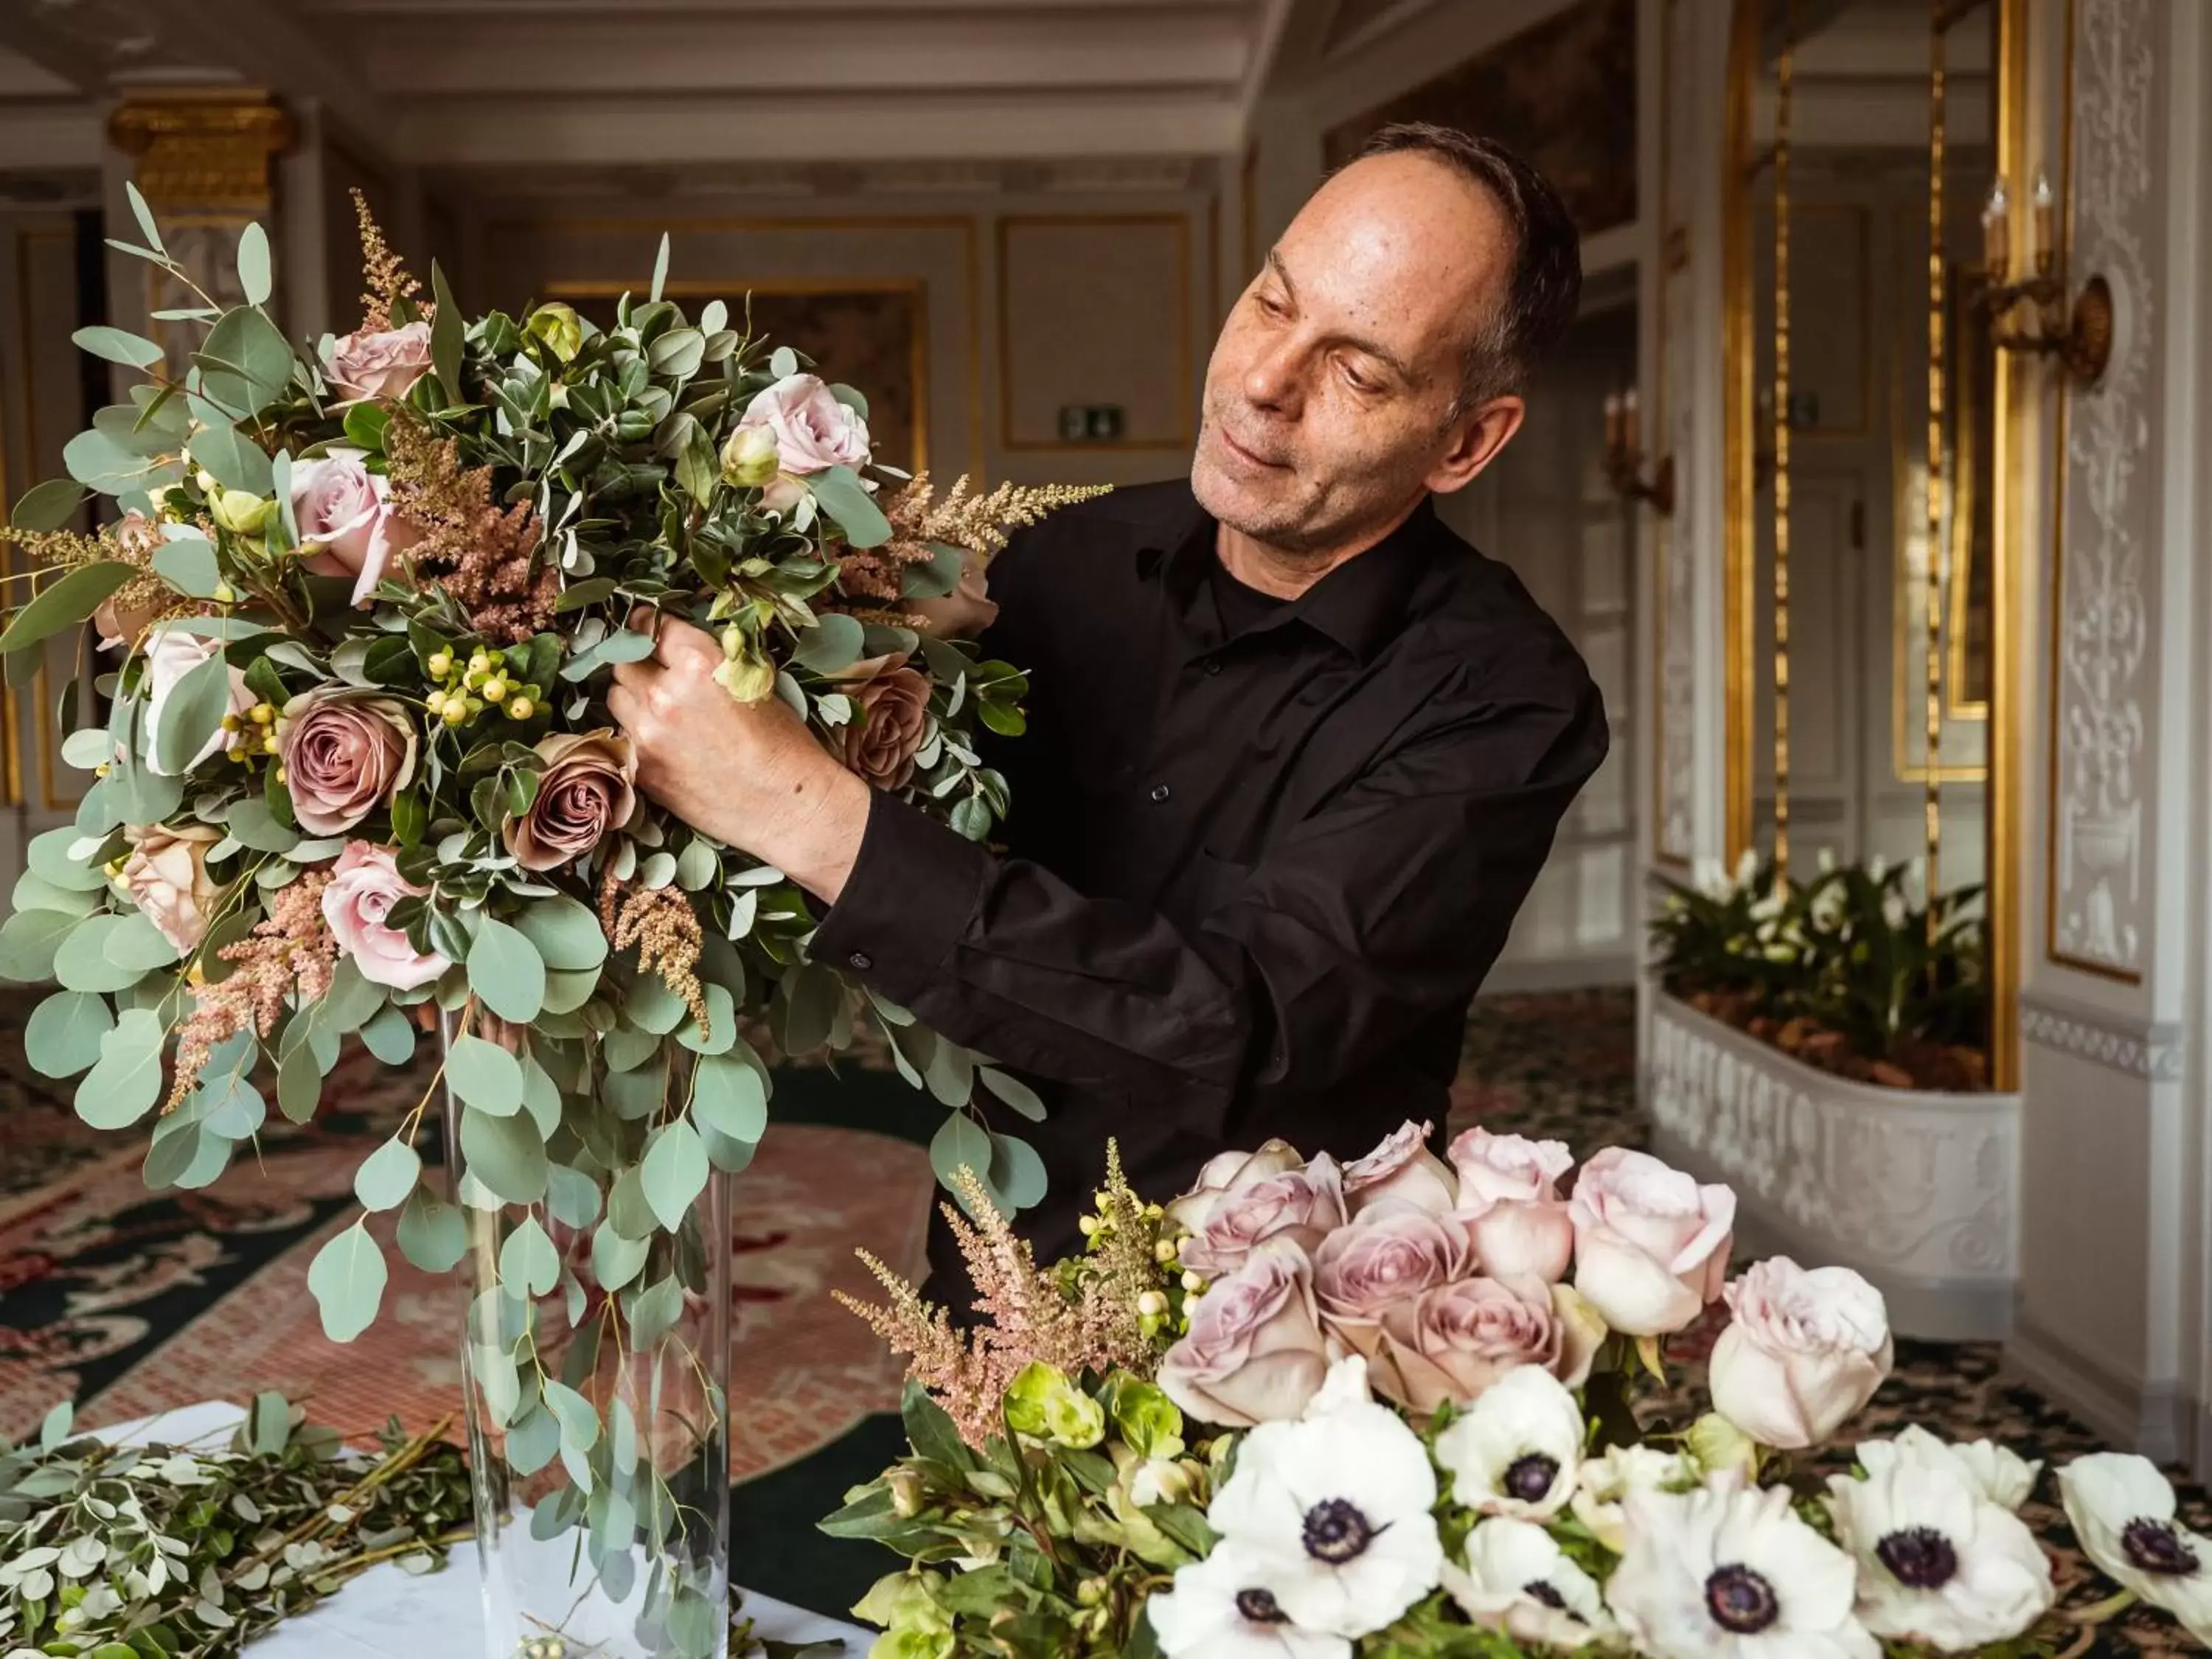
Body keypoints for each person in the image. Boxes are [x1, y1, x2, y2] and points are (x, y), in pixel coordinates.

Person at [609, 122, 1608, 1291]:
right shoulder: (1067, 554)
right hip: (989, 1266)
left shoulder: (1506, 701)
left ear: (1467, 441)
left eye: (1357, 370)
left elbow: (1241, 1027)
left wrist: (795, 804)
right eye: (1273, 302)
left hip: (1291, 1329)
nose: (1262, 382)